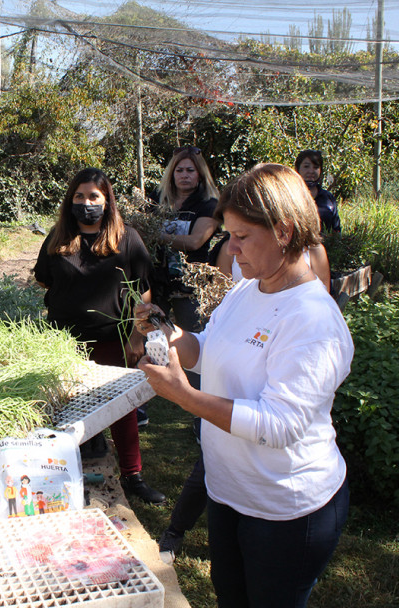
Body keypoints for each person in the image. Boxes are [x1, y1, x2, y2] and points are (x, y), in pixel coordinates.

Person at [136, 163, 353, 607]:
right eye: (229, 235)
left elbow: (280, 425)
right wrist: (165, 333)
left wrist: (184, 396)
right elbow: (206, 348)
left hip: (286, 509)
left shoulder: (312, 320)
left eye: (242, 236)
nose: (230, 250)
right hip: (229, 492)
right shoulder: (247, 290)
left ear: (285, 231)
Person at [34, 168, 165, 505]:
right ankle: (63, 476)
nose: (86, 203)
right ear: (70, 200)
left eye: (93, 196)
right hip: (65, 343)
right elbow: (46, 281)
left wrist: (137, 336)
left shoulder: (128, 238)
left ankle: (133, 477)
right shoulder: (57, 239)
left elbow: (144, 292)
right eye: (79, 196)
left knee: (121, 411)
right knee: (65, 410)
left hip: (113, 340)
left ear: (107, 201)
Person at [152, 146, 221, 327]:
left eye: (190, 170)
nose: (184, 175)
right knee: (153, 335)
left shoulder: (209, 204)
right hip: (158, 283)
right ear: (172, 174)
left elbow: (195, 241)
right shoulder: (156, 199)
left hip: (191, 287)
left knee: (193, 336)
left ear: (200, 174)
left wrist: (156, 235)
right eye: (179, 170)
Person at [295, 149, 341, 233]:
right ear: (297, 169)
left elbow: (336, 230)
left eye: (316, 167)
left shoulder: (328, 198)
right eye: (306, 166)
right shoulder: (290, 196)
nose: (311, 171)